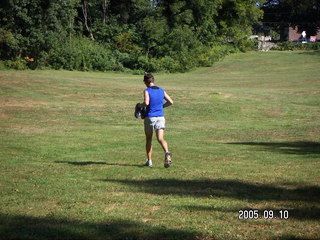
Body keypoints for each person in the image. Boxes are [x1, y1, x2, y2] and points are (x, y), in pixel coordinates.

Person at [138, 72, 173, 168]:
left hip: (150, 117)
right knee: (160, 138)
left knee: (149, 139)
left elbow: (146, 102)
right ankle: (167, 153)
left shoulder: (147, 90)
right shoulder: (161, 90)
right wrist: (161, 106)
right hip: (160, 117)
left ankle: (149, 161)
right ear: (153, 80)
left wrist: (140, 105)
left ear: (145, 81)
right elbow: (170, 102)